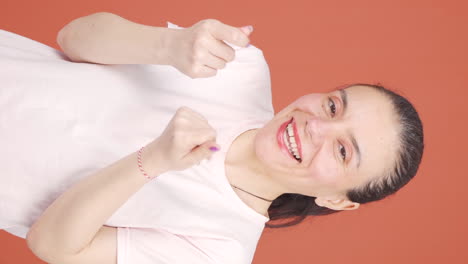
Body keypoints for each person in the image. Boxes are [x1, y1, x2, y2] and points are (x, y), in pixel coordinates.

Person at [0, 12, 424, 264]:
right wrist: (167, 44)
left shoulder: (219, 248)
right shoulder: (239, 68)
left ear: (338, 200)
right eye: (334, 106)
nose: (316, 125)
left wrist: (149, 163)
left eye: (343, 150)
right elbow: (73, 37)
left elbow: (52, 244)